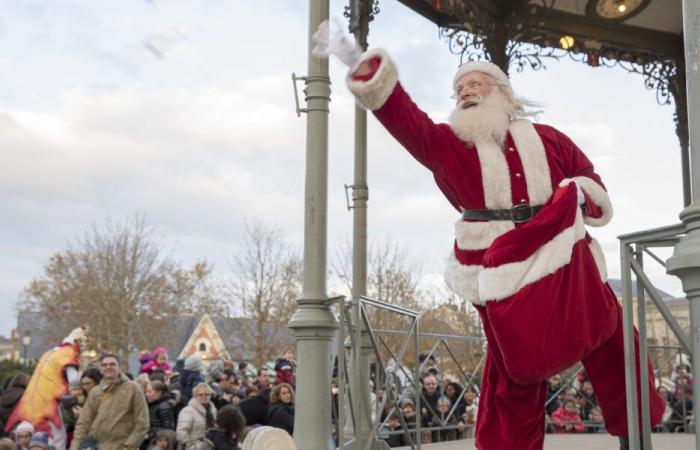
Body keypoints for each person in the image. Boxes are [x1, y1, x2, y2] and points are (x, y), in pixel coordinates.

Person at [313, 19, 665, 450]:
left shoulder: (550, 139)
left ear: (502, 92)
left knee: (610, 332)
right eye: (459, 88)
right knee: (517, 369)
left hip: (562, 251)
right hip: (500, 266)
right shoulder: (449, 146)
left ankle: (637, 429)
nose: (466, 91)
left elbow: (590, 180)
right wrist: (363, 67)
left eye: (476, 83)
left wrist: (578, 196)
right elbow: (407, 121)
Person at [70, 353, 149, 450]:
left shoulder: (133, 389)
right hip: (97, 446)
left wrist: (129, 446)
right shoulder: (95, 392)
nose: (108, 367)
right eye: (104, 365)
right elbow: (84, 423)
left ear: (118, 367)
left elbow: (142, 422)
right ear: (100, 369)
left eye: (112, 364)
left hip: (122, 445)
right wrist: (75, 447)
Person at [145, 381, 175, 446]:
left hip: (157, 442)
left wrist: (149, 435)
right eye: (146, 391)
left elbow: (167, 428)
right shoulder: (153, 404)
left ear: (159, 393)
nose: (146, 394)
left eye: (149, 391)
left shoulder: (164, 406)